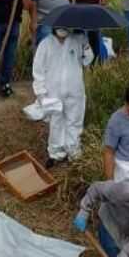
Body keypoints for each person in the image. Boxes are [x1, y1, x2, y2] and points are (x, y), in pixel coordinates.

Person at [32, 27, 94, 167]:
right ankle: (56, 154)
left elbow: (88, 60)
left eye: (66, 25)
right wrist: (41, 94)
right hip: (53, 92)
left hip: (75, 90)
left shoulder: (77, 40)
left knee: (75, 121)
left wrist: (86, 45)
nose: (63, 28)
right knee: (56, 123)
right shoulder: (45, 44)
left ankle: (74, 154)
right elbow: (38, 71)